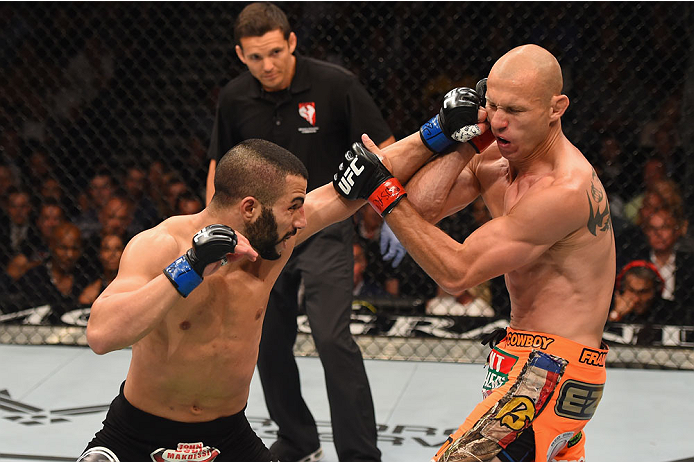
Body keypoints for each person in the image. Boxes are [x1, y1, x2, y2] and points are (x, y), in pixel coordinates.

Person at [333, 44, 615, 462]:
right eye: (492, 106)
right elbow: (424, 209)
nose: (499, 121)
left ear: (557, 108)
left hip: (548, 371)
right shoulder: (496, 161)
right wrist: (467, 141)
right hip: (522, 361)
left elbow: (457, 271)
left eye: (515, 111)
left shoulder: (565, 189)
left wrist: (380, 188)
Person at [78, 137, 438, 462]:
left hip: (228, 437)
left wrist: (436, 131)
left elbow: (350, 185)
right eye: (294, 206)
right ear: (250, 208)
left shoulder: (274, 242)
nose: (301, 221)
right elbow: (102, 334)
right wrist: (189, 267)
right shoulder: (162, 244)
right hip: (137, 435)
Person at [205, 3, 395, 461]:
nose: (267, 66)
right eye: (255, 57)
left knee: (332, 338)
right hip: (259, 238)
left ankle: (360, 455)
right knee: (266, 340)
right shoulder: (234, 97)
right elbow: (219, 169)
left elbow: (385, 148)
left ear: (291, 42)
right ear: (240, 55)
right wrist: (213, 227)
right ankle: (297, 438)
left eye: (274, 52)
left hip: (322, 227)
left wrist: (385, 211)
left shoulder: (335, 85)